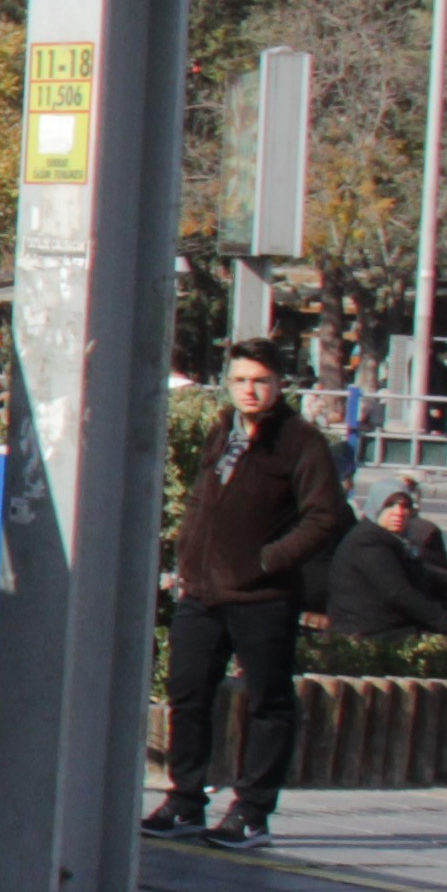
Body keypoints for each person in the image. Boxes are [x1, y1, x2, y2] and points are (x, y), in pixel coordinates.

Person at [150, 342, 350, 847]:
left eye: (259, 380)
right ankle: (186, 799)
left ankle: (252, 811)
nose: (250, 390)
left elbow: (326, 516)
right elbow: (204, 501)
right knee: (188, 693)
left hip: (263, 597)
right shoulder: (224, 429)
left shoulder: (300, 442)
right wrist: (185, 563)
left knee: (267, 702)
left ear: (279, 383)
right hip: (201, 590)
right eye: (240, 380)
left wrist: (267, 561)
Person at [316, 478, 447, 644]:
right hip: (368, 634)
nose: (399, 512)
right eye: (390, 505)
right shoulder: (368, 542)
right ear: (376, 507)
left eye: (404, 506)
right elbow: (398, 593)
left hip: (386, 628)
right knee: (442, 648)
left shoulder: (392, 539)